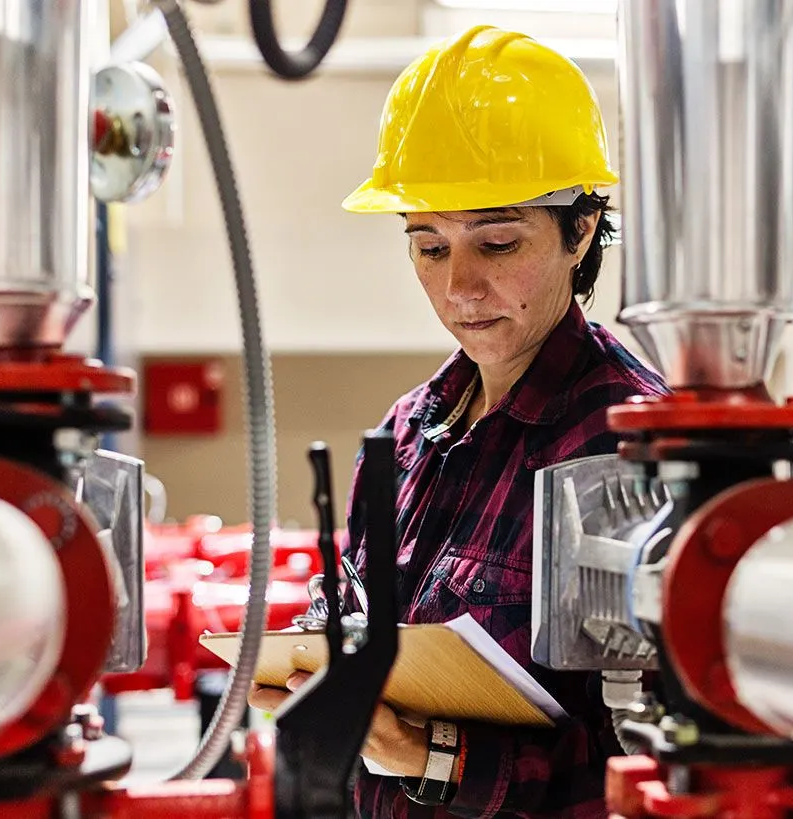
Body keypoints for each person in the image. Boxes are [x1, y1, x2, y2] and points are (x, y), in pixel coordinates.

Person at [249, 25, 667, 818]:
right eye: (429, 246)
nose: (460, 289)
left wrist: (432, 755)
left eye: (498, 241)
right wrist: (311, 651)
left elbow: (649, 767)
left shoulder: (632, 446)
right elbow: (353, 600)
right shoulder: (409, 428)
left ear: (581, 230)